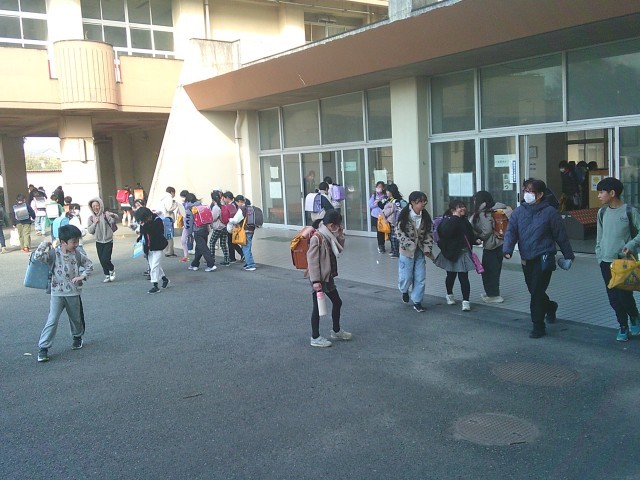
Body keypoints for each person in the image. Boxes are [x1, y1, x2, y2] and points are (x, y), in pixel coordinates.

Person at [503, 178, 575, 339]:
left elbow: (561, 235)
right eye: (525, 191)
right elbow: (511, 232)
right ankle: (550, 306)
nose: (527, 194)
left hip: (544, 256)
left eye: (531, 191)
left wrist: (568, 255)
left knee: (536, 291)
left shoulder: (550, 212)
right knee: (535, 290)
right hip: (526, 257)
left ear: (541, 194)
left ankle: (538, 325)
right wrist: (507, 249)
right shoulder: (518, 212)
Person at [35, 224, 93, 363]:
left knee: (76, 318)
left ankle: (77, 337)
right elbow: (38, 256)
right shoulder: (53, 254)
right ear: (63, 242)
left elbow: (89, 265)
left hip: (73, 293)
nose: (76, 244)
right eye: (73, 241)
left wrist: (82, 276)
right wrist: (44, 244)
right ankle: (43, 348)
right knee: (52, 320)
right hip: (57, 294)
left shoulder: (77, 253)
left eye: (77, 241)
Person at [595, 177, 640, 341]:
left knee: (624, 296)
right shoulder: (602, 212)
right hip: (605, 261)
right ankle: (623, 326)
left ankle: (634, 316)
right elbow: (599, 237)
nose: (599, 196)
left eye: (602, 192)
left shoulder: (629, 211)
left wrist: (631, 244)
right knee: (613, 298)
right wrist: (599, 256)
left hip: (623, 262)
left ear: (612, 193)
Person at [307, 209, 351, 347]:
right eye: (338, 225)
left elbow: (339, 249)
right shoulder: (317, 238)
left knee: (337, 302)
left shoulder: (329, 235)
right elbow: (312, 262)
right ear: (331, 225)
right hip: (319, 280)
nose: (339, 227)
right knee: (318, 309)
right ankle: (315, 337)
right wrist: (315, 281)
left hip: (328, 277)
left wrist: (340, 235)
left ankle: (336, 331)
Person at [434, 199, 479, 312]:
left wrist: (476, 240)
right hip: (451, 253)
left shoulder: (464, 221)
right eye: (460, 207)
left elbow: (469, 235)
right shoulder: (449, 221)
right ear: (453, 210)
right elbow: (446, 234)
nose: (463, 208)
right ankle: (449, 294)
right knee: (451, 275)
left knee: (464, 277)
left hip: (463, 252)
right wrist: (455, 218)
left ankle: (466, 301)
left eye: (463, 206)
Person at [470, 191, 513, 304]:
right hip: (501, 243)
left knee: (489, 272)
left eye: (475, 200)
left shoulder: (484, 212)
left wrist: (480, 238)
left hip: (491, 245)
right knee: (496, 270)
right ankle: (493, 293)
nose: (474, 202)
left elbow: (487, 230)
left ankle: (494, 295)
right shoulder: (498, 208)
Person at [396, 191, 434, 313]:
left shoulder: (426, 217)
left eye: (424, 201)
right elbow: (399, 233)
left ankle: (417, 301)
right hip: (406, 252)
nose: (423, 203)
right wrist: (410, 245)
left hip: (420, 252)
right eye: (420, 201)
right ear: (412, 202)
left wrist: (427, 248)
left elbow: (429, 233)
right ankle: (404, 290)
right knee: (406, 276)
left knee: (420, 277)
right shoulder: (404, 216)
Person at [134, 207, 170, 294]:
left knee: (154, 266)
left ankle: (155, 285)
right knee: (154, 265)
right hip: (148, 247)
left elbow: (154, 232)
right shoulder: (144, 222)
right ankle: (165, 279)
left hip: (158, 246)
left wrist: (144, 225)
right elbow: (143, 233)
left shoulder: (158, 221)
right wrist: (139, 238)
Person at [87, 197, 118, 283]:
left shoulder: (106, 214)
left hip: (108, 240)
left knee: (105, 259)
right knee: (101, 260)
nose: (95, 208)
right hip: (98, 241)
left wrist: (113, 215)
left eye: (97, 205)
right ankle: (107, 275)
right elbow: (90, 231)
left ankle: (111, 269)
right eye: (93, 206)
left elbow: (116, 218)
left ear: (100, 206)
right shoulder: (91, 218)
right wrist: (94, 223)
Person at [186, 193, 217, 272]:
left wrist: (189, 233)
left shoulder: (190, 209)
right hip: (205, 229)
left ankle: (211, 264)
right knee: (199, 248)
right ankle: (195, 264)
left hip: (197, 230)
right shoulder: (201, 206)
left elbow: (189, 222)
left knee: (203, 248)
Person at [229, 195, 257, 271]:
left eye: (236, 202)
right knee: (247, 247)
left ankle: (251, 265)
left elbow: (236, 220)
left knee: (246, 248)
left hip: (245, 231)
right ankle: (248, 263)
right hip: (251, 230)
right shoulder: (250, 208)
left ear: (239, 202)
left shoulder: (242, 209)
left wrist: (229, 219)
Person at [381, 183, 407, 259]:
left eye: (388, 191)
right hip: (391, 221)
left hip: (395, 221)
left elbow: (395, 210)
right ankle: (394, 250)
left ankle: (396, 252)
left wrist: (385, 213)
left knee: (395, 237)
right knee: (391, 236)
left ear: (391, 192)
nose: (386, 192)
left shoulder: (396, 201)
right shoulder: (389, 200)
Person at [221, 191, 244, 263]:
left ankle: (236, 256)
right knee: (232, 242)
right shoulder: (234, 204)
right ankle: (237, 255)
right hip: (233, 225)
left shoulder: (233, 205)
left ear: (227, 198)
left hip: (233, 225)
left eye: (224, 198)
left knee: (231, 242)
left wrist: (229, 220)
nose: (224, 200)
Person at [209, 191, 229, 266]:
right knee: (223, 244)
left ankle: (211, 259)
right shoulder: (223, 206)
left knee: (212, 243)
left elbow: (213, 218)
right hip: (224, 227)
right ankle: (227, 260)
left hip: (218, 228)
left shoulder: (216, 207)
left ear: (212, 199)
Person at [369, 181, 388, 253]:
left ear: (383, 188)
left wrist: (379, 202)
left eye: (380, 187)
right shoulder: (374, 195)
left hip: (384, 216)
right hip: (375, 216)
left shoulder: (386, 195)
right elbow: (370, 205)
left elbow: (386, 205)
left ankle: (392, 246)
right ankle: (381, 246)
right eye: (377, 187)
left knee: (384, 231)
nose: (378, 188)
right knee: (379, 231)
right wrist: (377, 203)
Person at [159, 186, 179, 257]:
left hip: (164, 218)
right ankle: (169, 252)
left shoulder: (163, 198)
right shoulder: (169, 198)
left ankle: (167, 250)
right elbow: (169, 208)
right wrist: (175, 205)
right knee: (169, 236)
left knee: (166, 235)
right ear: (172, 192)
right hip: (168, 218)